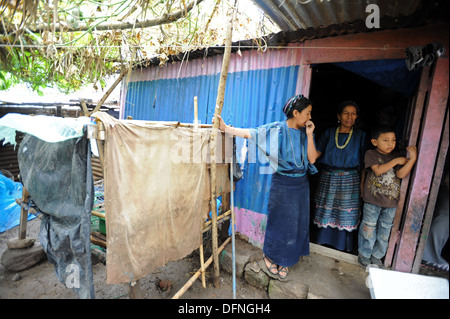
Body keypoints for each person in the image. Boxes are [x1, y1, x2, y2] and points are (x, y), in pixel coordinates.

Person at [214, 94, 320, 279]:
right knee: (279, 223)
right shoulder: (277, 129)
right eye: (307, 113)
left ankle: (286, 259)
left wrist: (310, 135)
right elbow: (251, 133)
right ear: (296, 113)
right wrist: (227, 129)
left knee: (295, 224)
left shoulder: (306, 133)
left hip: (301, 185)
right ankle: (271, 256)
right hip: (283, 184)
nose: (309, 118)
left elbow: (311, 159)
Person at [358, 126, 417, 267]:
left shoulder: (396, 155)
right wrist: (396, 161)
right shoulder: (371, 154)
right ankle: (365, 253)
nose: (390, 143)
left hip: (391, 203)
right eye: (385, 140)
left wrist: (412, 160)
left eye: (393, 140)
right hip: (372, 200)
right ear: (374, 141)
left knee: (385, 231)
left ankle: (377, 255)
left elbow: (401, 174)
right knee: (368, 228)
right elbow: (378, 170)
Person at [312, 101, 367, 252]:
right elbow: (315, 154)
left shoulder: (361, 136)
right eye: (346, 113)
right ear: (338, 116)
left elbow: (364, 164)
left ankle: (343, 245)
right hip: (328, 178)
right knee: (326, 211)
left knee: (345, 214)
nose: (350, 117)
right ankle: (322, 240)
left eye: (353, 113)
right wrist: (309, 136)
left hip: (351, 180)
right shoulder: (329, 133)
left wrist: (362, 184)